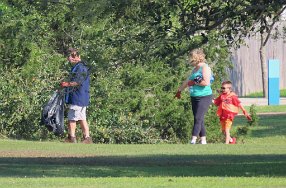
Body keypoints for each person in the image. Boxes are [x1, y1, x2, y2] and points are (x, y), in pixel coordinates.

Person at [175, 48, 213, 144]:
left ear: (196, 58)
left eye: (190, 57)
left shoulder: (205, 68)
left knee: (198, 118)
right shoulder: (194, 69)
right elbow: (187, 81)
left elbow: (206, 83)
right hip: (194, 96)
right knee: (199, 118)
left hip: (205, 96)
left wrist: (195, 82)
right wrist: (179, 90)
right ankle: (203, 140)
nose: (189, 60)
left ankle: (193, 139)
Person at [60, 48, 92, 144]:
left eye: (71, 56)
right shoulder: (81, 67)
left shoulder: (80, 68)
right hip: (82, 97)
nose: (69, 58)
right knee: (82, 118)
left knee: (72, 118)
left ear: (77, 57)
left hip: (78, 97)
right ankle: (87, 138)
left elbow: (77, 82)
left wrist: (66, 84)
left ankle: (71, 137)